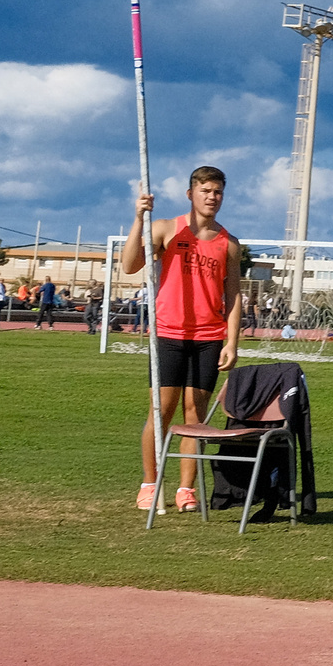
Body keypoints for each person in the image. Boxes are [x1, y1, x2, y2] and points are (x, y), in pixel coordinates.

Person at [119, 166, 245, 513]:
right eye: (205, 190)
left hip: (208, 337)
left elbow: (233, 295)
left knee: (195, 416)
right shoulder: (166, 230)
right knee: (161, 411)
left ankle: (185, 489)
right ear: (191, 193)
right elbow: (129, 265)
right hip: (170, 334)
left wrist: (231, 342)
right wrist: (138, 219)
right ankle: (149, 483)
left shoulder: (229, 244)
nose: (212, 197)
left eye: (217, 191)